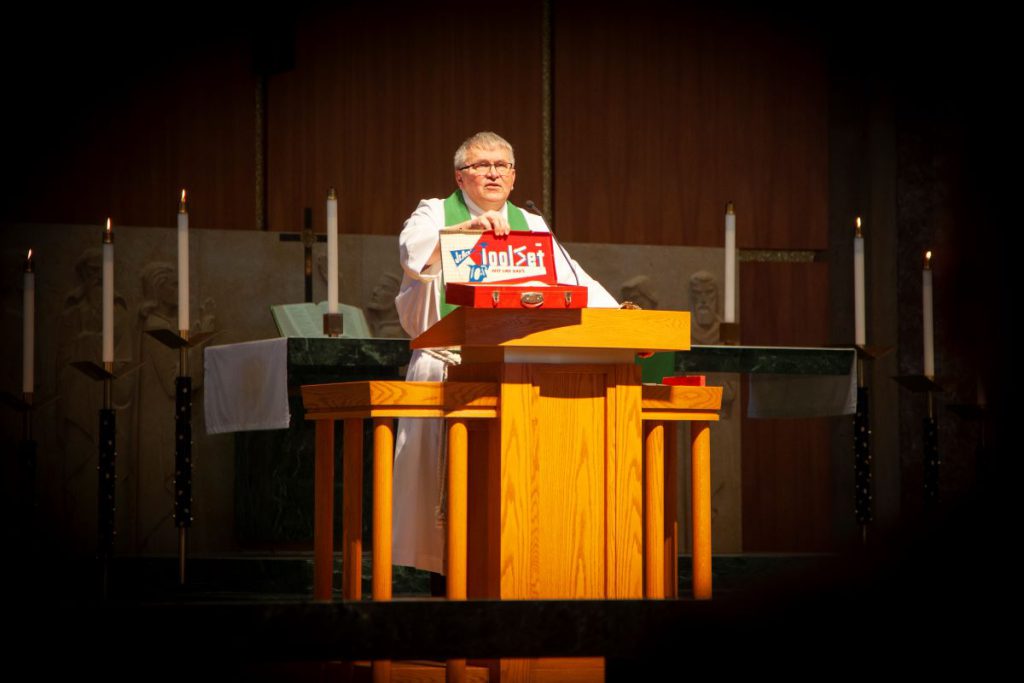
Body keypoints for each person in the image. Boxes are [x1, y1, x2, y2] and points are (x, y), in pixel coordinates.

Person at [393, 131, 619, 576]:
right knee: (442, 515)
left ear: (514, 178)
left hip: (515, 377)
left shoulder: (531, 224)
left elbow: (575, 281)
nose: (493, 173)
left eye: (503, 166)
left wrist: (620, 317)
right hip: (446, 368)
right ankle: (444, 601)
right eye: (481, 165)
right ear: (461, 177)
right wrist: (463, 231)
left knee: (506, 496)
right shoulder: (436, 212)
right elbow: (411, 254)